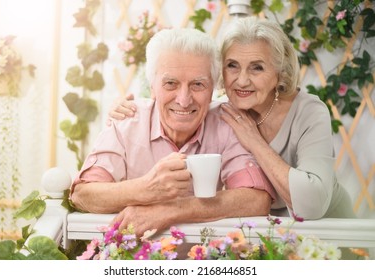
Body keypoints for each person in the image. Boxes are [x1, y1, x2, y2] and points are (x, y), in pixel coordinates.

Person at [109, 16, 355, 220]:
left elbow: (311, 205)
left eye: (257, 67)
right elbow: (172, 100)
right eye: (232, 66)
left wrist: (255, 142)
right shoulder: (221, 112)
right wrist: (125, 111)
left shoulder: (309, 112)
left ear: (281, 73)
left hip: (331, 232)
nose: (242, 80)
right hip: (274, 234)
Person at [70, 27, 276, 237]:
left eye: (198, 84)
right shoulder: (127, 120)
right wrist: (146, 188)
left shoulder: (227, 123)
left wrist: (171, 211)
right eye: (170, 83)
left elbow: (257, 199)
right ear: (152, 86)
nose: (184, 100)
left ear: (213, 88)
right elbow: (83, 194)